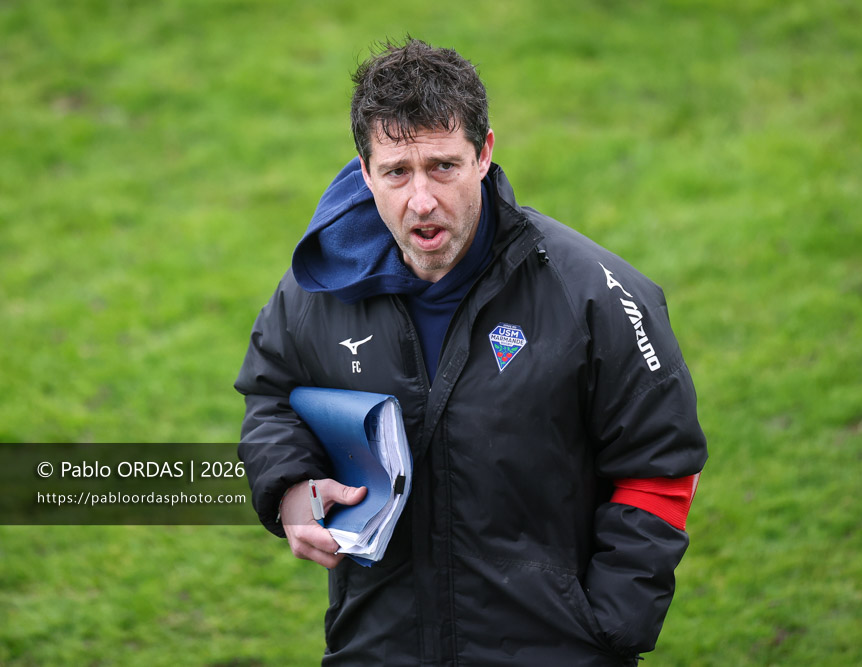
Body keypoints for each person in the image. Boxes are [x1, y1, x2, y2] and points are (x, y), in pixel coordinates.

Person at [235, 37, 707, 666]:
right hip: (376, 648)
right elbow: (271, 396)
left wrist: (609, 630)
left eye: (443, 166)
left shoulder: (593, 295)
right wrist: (290, 485)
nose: (421, 200)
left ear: (484, 153)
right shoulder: (317, 290)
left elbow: (661, 464)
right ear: (364, 167)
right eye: (396, 172)